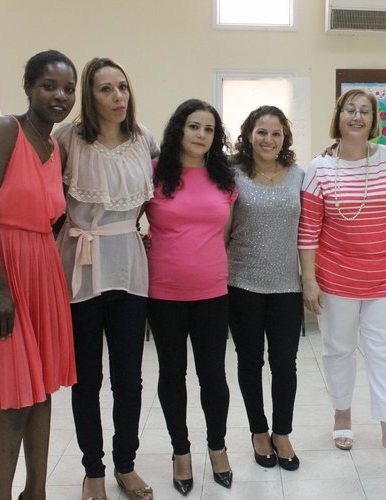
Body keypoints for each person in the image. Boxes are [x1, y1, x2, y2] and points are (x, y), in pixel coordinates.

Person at [0, 50, 77, 500]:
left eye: (68, 89)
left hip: (41, 269)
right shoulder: (4, 129)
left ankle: (37, 491)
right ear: (28, 88)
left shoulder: (55, 148)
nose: (60, 95)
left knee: (42, 390)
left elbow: (52, 216)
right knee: (14, 397)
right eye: (49, 86)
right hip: (1, 269)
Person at [298, 88, 386, 463]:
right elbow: (308, 230)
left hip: (384, 276)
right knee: (338, 350)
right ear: (338, 116)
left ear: (373, 120)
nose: (357, 116)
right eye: (350, 110)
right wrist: (309, 280)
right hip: (335, 279)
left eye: (365, 111)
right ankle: (342, 415)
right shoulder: (319, 168)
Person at [54, 57, 156, 500]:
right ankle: (92, 469)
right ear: (88, 96)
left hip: (128, 267)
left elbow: (165, 190)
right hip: (79, 265)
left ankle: (125, 465)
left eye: (122, 87)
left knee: (129, 378)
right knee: (86, 379)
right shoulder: (68, 140)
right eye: (105, 89)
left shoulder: (143, 139)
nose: (118, 97)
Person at [145, 99, 237, 494]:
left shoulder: (224, 178)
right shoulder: (153, 173)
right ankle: (180, 451)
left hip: (212, 291)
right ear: (179, 129)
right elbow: (128, 220)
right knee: (172, 374)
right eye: (194, 126)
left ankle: (217, 447)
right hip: (163, 291)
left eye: (209, 129)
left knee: (213, 375)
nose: (201, 135)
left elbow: (224, 233)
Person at [227, 106, 304, 471]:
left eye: (276, 133)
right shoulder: (232, 174)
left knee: (285, 363)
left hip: (287, 285)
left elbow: (309, 230)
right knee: (250, 361)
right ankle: (259, 431)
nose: (268, 139)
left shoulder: (298, 175)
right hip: (241, 282)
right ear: (248, 135)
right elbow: (222, 228)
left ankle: (282, 432)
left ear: (284, 138)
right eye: (261, 132)